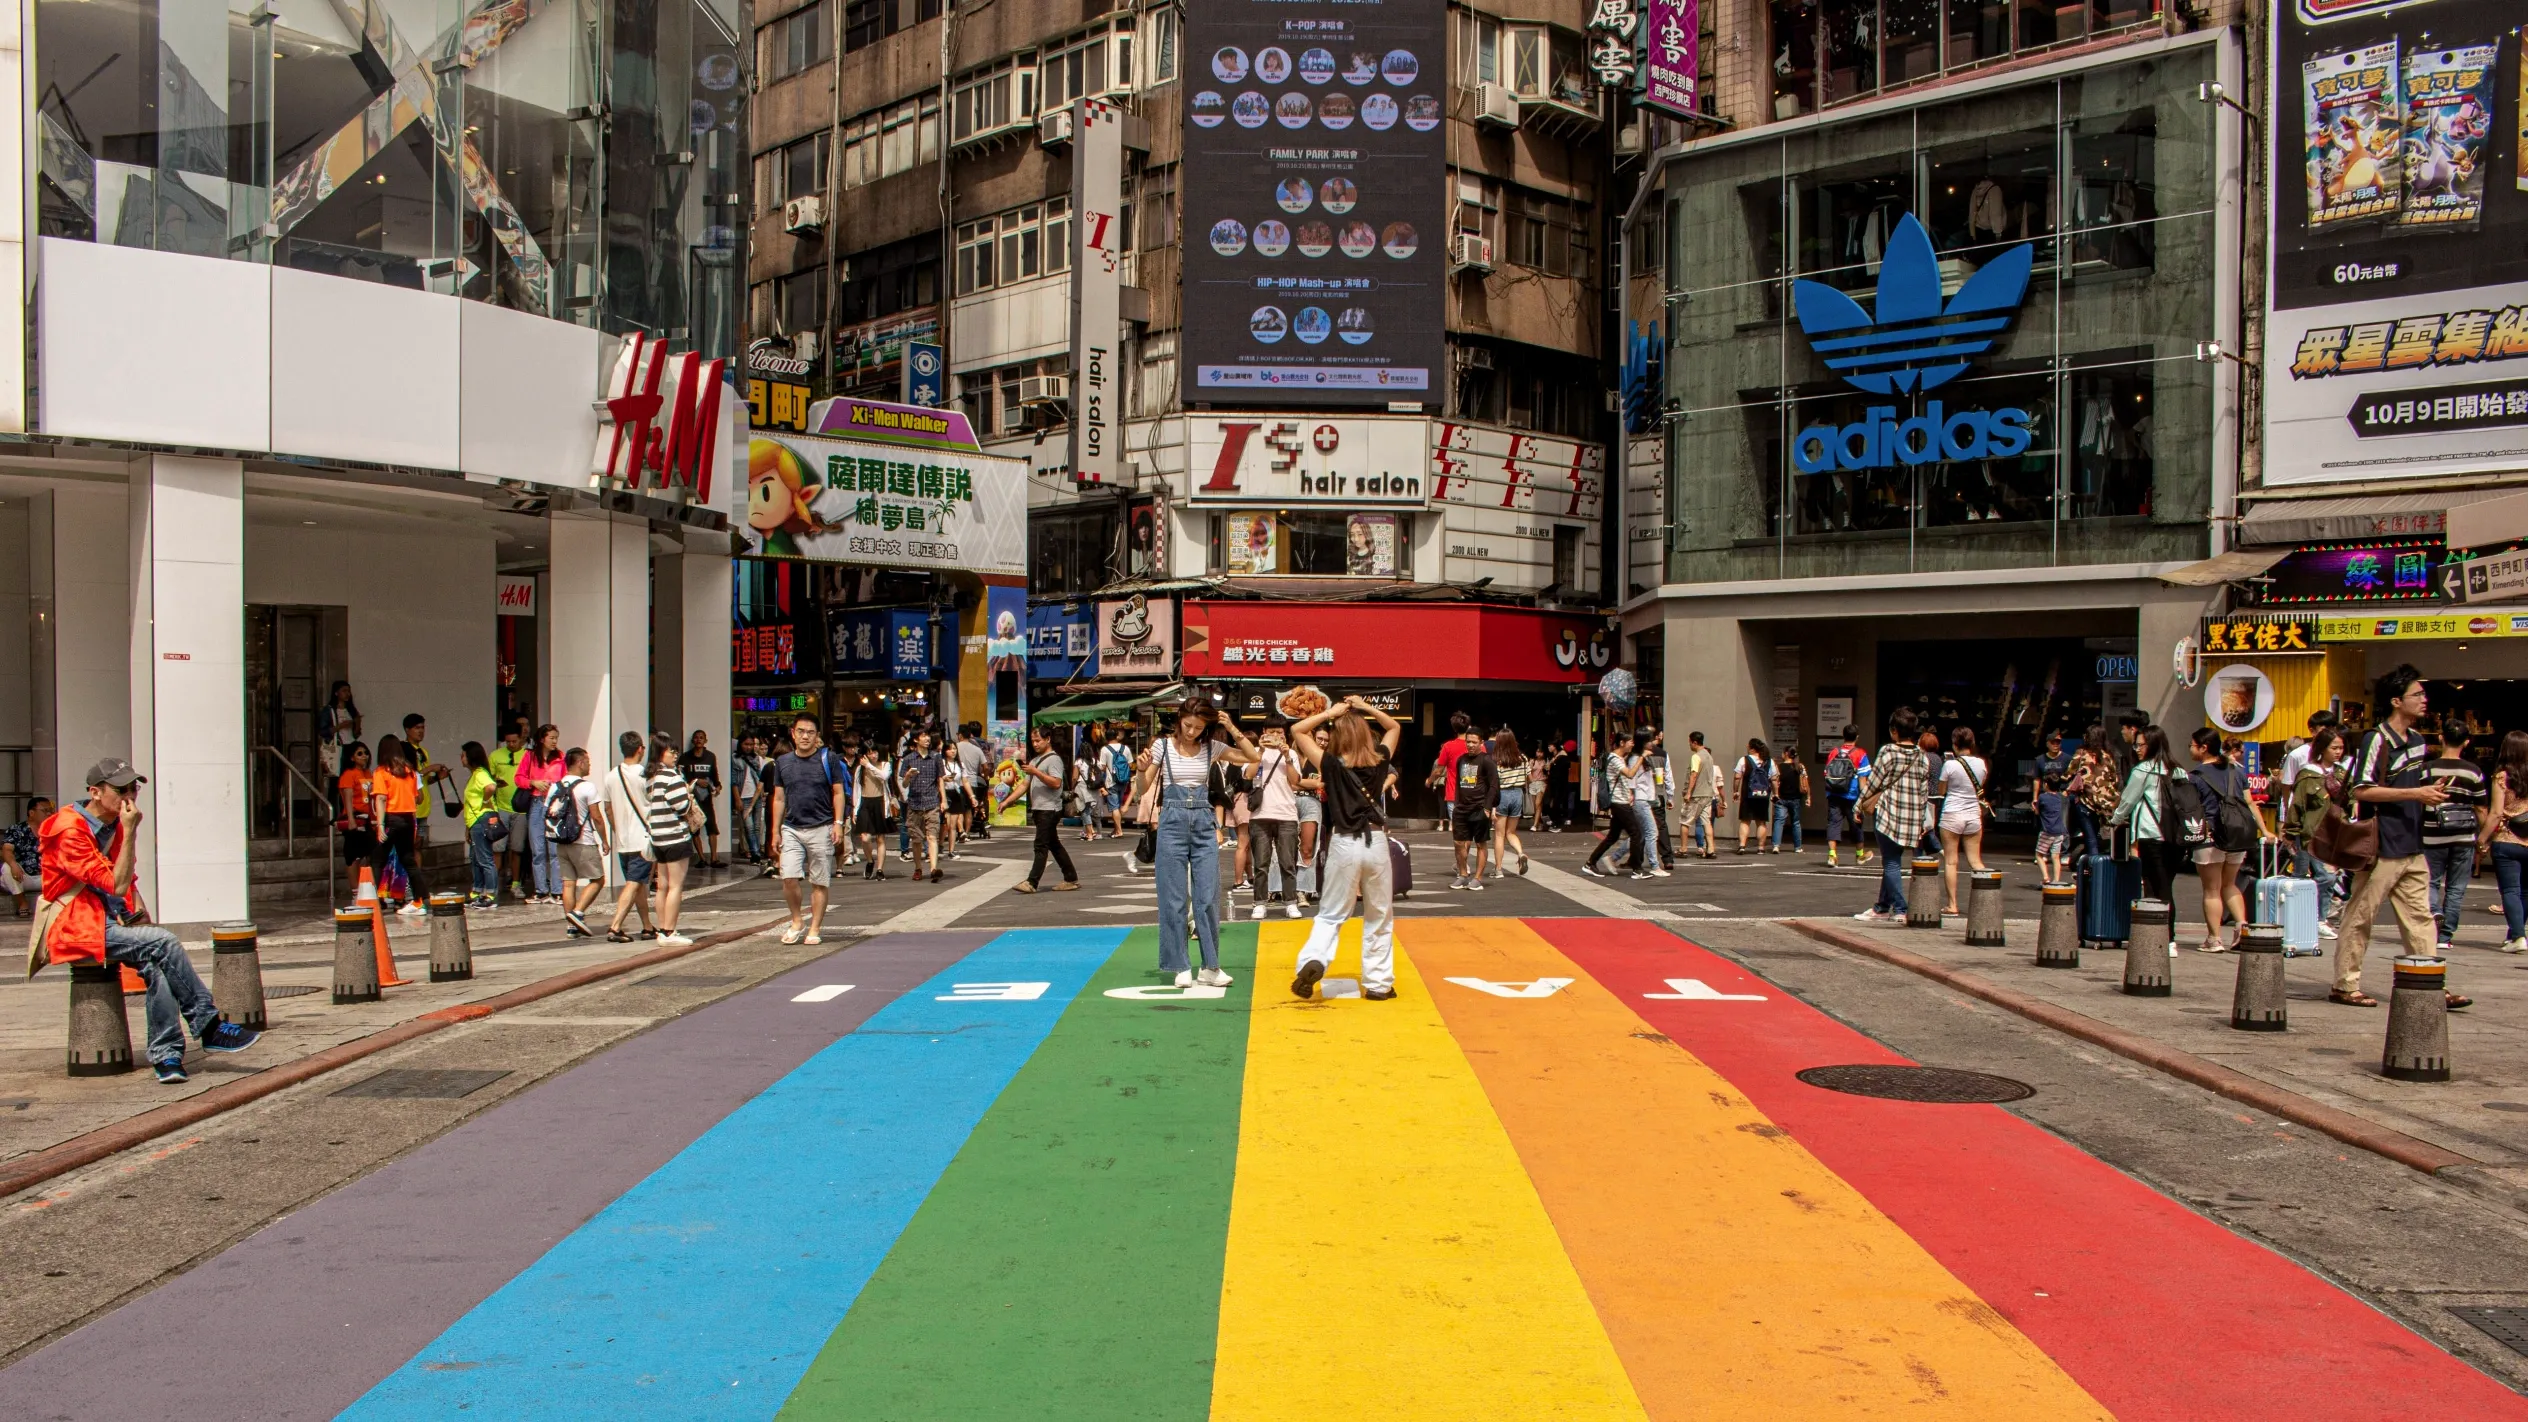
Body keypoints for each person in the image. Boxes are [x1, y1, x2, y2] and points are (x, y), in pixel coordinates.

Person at [36, 758, 262, 1083]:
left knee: (158, 962)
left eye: (133, 788)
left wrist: (142, 919)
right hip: (78, 927)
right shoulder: (68, 830)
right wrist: (130, 830)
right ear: (95, 792)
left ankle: (167, 1056)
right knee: (163, 942)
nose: (129, 796)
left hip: (109, 921)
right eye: (121, 790)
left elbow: (129, 882)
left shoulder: (113, 824)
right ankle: (208, 1025)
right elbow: (115, 884)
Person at [2337, 667, 2469, 1010]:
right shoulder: (2376, 739)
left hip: (2412, 843)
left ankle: (2430, 983)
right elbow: (2362, 790)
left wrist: (2428, 792)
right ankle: (2345, 984)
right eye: (2417, 694)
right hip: (2381, 845)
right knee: (2361, 916)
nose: (2425, 700)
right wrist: (2415, 794)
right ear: (2397, 701)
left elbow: (2409, 787)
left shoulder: (2418, 741)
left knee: (2421, 919)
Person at [1132, 695, 1259, 987]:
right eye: (1188, 725)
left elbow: (1252, 757)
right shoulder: (1162, 746)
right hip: (1172, 822)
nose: (1192, 732)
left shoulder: (1212, 747)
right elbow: (1143, 788)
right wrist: (1140, 769)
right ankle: (1179, 965)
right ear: (1179, 720)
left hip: (1203, 822)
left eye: (1199, 727)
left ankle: (1210, 966)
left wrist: (1232, 727)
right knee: (1173, 899)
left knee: (1208, 897)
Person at [1287, 696, 1404, 1001]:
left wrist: (1332, 711)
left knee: (1331, 914)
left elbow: (1298, 730)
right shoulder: (1380, 758)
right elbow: (1393, 726)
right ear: (1365, 734)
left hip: (1343, 842)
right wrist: (1365, 707)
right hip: (1376, 842)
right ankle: (1379, 984)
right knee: (1379, 915)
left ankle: (1314, 959)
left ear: (1337, 736)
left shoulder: (1330, 763)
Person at [766, 713, 849, 939]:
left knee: (819, 881)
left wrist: (838, 823)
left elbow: (838, 792)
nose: (805, 736)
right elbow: (779, 798)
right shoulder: (782, 762)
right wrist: (775, 831)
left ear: (817, 736)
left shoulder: (829, 759)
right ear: (793, 734)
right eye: (801, 731)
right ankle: (797, 920)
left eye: (810, 732)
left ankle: (815, 928)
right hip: (791, 827)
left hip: (822, 827)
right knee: (788, 877)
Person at [2186, 728, 2269, 952]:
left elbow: (2191, 808)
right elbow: (2249, 803)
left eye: (2192, 745)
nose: (2190, 749)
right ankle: (2242, 928)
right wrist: (2264, 830)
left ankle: (2214, 939)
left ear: (2204, 748)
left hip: (2210, 836)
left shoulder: (2195, 776)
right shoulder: (2236, 771)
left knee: (2211, 889)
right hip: (2236, 834)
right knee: (2230, 884)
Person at [1852, 708, 1933, 923]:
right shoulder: (1922, 756)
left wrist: (1858, 806)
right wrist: (1923, 820)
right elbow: (1924, 792)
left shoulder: (1888, 751)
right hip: (1911, 817)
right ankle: (1881, 907)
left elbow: (1873, 783)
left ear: (1894, 730)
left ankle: (1900, 908)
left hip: (1888, 814)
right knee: (1892, 861)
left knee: (1891, 862)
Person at [2420, 722, 2485, 953]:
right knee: (2456, 888)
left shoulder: (2426, 769)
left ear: (2440, 738)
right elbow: (2481, 808)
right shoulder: (2474, 771)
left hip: (2432, 834)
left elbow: (2417, 801)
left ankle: (2434, 913)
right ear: (2466, 742)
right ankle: (2446, 935)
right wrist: (2483, 837)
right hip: (2463, 836)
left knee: (2430, 881)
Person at [2285, 727, 2347, 936]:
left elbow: (2351, 798)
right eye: (2334, 748)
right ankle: (2305, 917)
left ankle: (2319, 918)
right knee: (2309, 876)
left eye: (2341, 748)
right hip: (2310, 835)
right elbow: (2297, 805)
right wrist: (2291, 832)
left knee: (2328, 877)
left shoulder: (2341, 774)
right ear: (2322, 748)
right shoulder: (2308, 775)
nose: (2338, 752)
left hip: (2335, 834)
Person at [599, 731, 659, 943]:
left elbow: (607, 809)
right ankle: (615, 926)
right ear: (640, 749)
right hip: (642, 838)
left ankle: (647, 926)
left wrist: (618, 830)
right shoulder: (645, 774)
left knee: (638, 883)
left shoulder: (611, 775)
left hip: (623, 840)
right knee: (634, 883)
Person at [644, 734, 702, 945]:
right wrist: (687, 793)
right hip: (676, 836)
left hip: (658, 838)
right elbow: (683, 807)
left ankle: (662, 929)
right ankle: (669, 931)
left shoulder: (651, 778)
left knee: (662, 886)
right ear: (661, 753)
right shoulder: (672, 777)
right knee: (676, 886)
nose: (675, 755)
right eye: (671, 751)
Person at [2113, 726, 2180, 907]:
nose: (2137, 749)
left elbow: (2127, 801)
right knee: (2165, 884)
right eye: (2136, 745)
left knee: (2154, 884)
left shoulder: (2143, 770)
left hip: (2151, 834)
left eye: (2141, 745)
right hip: (2176, 836)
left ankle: (2157, 922)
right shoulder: (2178, 770)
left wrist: (2115, 821)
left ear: (2154, 745)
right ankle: (2163, 923)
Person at [2475, 730, 2528, 956]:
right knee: (2525, 892)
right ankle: (2515, 935)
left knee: (2510, 890)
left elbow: (2496, 813)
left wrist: (2482, 839)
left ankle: (2517, 937)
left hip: (2507, 840)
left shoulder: (2501, 777)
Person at [1242, 720, 1304, 916]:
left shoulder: (1291, 753)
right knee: (1261, 864)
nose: (1276, 736)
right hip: (1260, 814)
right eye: (1272, 732)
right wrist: (1260, 752)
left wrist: (1287, 757)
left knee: (1288, 862)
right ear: (1264, 732)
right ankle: (1259, 902)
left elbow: (1295, 781)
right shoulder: (1254, 751)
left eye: (1280, 732)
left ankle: (1291, 902)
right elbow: (1248, 775)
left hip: (1287, 814)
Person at [1012, 725, 1082, 894]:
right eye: (1033, 741)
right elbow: (1024, 785)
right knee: (1054, 844)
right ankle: (1070, 878)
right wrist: (1007, 801)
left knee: (1041, 845)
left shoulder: (1053, 760)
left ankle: (1032, 882)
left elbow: (1056, 783)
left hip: (1049, 809)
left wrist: (1036, 772)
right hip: (1039, 808)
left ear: (1048, 739)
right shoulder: (1035, 761)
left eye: (1038, 740)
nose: (1035, 744)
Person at [548, 747, 607, 937]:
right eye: (588, 762)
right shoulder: (587, 787)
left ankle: (571, 927)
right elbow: (597, 817)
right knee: (598, 879)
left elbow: (549, 813)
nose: (589, 765)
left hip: (562, 842)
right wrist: (604, 840)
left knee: (568, 884)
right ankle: (577, 912)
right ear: (580, 763)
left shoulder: (555, 786)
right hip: (583, 841)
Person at [370, 737, 430, 915]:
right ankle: (419, 901)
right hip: (408, 819)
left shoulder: (381, 772)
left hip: (391, 818)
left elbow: (381, 798)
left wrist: (380, 824)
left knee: (377, 860)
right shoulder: (409, 771)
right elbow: (415, 798)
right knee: (408, 860)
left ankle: (372, 903)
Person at [1582, 730, 1653, 880]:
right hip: (1619, 803)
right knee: (1636, 834)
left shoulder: (1619, 758)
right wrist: (1642, 757)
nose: (1632, 744)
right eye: (1630, 741)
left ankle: (1590, 863)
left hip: (1621, 801)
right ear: (1622, 743)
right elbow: (1630, 774)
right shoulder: (1615, 759)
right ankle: (1637, 869)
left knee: (1613, 836)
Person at [1935, 726, 1988, 917]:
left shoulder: (1950, 765)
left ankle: (1952, 905)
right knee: (1976, 861)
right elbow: (1980, 785)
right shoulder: (1981, 764)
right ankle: (1988, 901)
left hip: (1952, 813)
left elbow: (1941, 791)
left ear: (1954, 744)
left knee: (1951, 861)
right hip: (1973, 814)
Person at [517, 724, 568, 904]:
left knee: (554, 849)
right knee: (537, 849)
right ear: (542, 739)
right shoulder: (530, 756)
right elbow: (519, 778)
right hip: (537, 802)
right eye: (551, 738)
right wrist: (533, 782)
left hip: (554, 804)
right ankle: (540, 890)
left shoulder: (560, 757)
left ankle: (557, 890)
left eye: (556, 738)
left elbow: (566, 779)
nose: (554, 741)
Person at [458, 741, 507, 910]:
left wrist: (485, 801)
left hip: (480, 820)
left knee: (485, 859)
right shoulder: (475, 775)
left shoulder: (480, 773)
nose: (461, 758)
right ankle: (477, 892)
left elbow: (491, 787)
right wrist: (468, 828)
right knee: (475, 859)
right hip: (474, 822)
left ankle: (490, 895)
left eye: (463, 755)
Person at [1448, 724, 1498, 890]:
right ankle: (1463, 875)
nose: (1470, 745)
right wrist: (1457, 804)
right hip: (1462, 808)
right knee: (1458, 843)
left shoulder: (1487, 760)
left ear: (1481, 742)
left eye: (1474, 742)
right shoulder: (1461, 760)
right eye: (1468, 741)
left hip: (1479, 808)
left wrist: (1488, 808)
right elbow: (1458, 784)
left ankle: (1477, 878)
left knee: (1480, 844)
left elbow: (1494, 786)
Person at [898, 727, 950, 883]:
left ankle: (934, 869)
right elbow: (904, 784)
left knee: (932, 836)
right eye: (923, 736)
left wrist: (943, 800)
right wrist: (908, 776)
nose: (927, 739)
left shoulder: (936, 757)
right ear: (916, 740)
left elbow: (940, 779)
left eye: (928, 736)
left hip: (932, 802)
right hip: (914, 804)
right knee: (916, 840)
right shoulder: (908, 759)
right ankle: (918, 868)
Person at [2064, 724, 2121, 862]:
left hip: (2086, 802)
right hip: (2105, 804)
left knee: (2091, 838)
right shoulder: (2109, 756)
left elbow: (2068, 774)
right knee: (2101, 836)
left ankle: (2094, 867)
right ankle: (2101, 863)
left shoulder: (2082, 753)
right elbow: (2116, 780)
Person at [1820, 726, 1870, 868]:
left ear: (1843, 736)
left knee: (1833, 823)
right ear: (1857, 737)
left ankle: (1832, 856)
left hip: (1834, 794)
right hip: (1852, 795)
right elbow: (1862, 780)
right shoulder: (1860, 754)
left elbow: (1826, 773)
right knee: (1856, 824)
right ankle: (1859, 855)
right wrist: (1863, 799)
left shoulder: (1834, 752)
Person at [487, 721, 527, 894]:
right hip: (500, 807)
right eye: (508, 742)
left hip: (521, 809)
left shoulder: (528, 756)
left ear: (521, 739)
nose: (511, 744)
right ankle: (494, 884)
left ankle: (516, 883)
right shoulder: (495, 756)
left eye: (514, 741)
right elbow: (488, 779)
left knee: (517, 848)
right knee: (497, 848)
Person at [334, 740, 375, 905]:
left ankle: (367, 889)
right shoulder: (348, 775)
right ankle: (355, 893)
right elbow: (348, 798)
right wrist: (351, 819)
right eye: (360, 754)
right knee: (352, 855)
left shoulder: (368, 773)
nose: (364, 756)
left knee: (370, 854)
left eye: (365, 753)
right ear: (351, 757)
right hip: (355, 818)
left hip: (368, 818)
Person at [2, 796, 52, 916]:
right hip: (23, 877)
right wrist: (14, 865)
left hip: (48, 877)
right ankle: (22, 903)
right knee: (7, 868)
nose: (49, 814)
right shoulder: (17, 829)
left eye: (50, 810)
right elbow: (7, 850)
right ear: (31, 813)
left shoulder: (54, 829)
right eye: (45, 810)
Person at [852, 740, 894, 880]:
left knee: (880, 838)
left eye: (875, 752)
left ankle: (880, 869)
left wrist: (869, 766)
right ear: (865, 754)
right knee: (865, 837)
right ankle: (870, 861)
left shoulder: (885, 765)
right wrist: (855, 810)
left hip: (880, 802)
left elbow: (884, 776)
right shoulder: (860, 769)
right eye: (870, 753)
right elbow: (856, 790)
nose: (873, 755)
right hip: (865, 802)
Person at [1492, 729, 1531, 876]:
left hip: (1502, 795)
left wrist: (1492, 804)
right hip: (1518, 794)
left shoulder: (1497, 760)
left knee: (1499, 835)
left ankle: (1498, 869)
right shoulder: (1523, 758)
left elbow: (1495, 783)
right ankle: (1520, 853)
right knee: (1511, 832)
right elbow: (1530, 779)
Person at [685, 730, 724, 868]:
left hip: (707, 798)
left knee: (712, 827)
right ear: (692, 740)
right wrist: (696, 781)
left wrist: (718, 786)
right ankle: (701, 858)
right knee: (695, 828)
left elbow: (715, 775)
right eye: (696, 738)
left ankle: (714, 858)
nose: (698, 740)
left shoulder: (710, 757)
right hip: (692, 799)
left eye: (701, 738)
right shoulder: (685, 758)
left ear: (705, 740)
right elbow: (682, 777)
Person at [2032, 747, 2070, 885]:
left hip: (2047, 831)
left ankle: (2046, 877)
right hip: (2059, 832)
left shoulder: (2043, 797)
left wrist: (2035, 806)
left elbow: (2037, 812)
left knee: (2039, 854)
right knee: (2056, 857)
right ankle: (2056, 880)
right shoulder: (2060, 798)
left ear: (2046, 784)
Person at [729, 733, 766, 868]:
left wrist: (763, 794)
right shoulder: (734, 759)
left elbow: (761, 779)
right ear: (740, 744)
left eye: (751, 744)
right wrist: (737, 799)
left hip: (756, 797)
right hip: (743, 797)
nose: (749, 747)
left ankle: (756, 852)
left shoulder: (757, 758)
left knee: (757, 827)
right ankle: (755, 853)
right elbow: (733, 781)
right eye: (746, 744)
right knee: (748, 827)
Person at [1682, 731, 1720, 860]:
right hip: (1708, 794)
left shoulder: (1696, 757)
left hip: (1696, 794)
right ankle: (1711, 849)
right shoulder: (1709, 756)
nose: (1689, 745)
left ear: (1694, 742)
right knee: (1706, 822)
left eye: (1690, 742)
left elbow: (1694, 774)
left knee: (1685, 821)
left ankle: (1683, 849)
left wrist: (1688, 792)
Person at [1733, 738, 1775, 853]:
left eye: (1748, 746)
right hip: (1763, 795)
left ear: (1752, 748)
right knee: (1761, 821)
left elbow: (1737, 777)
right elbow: (1774, 779)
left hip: (1748, 794)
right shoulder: (1769, 761)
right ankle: (1761, 848)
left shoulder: (1744, 760)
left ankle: (1742, 846)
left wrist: (1735, 791)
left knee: (1745, 820)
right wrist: (1776, 793)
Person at [955, 724, 993, 842]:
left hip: (957, 782)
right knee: (969, 810)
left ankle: (960, 831)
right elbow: (985, 767)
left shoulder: (955, 748)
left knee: (958, 809)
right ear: (970, 735)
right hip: (973, 782)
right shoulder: (977, 750)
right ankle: (966, 833)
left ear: (960, 735)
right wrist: (984, 775)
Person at [1771, 744, 1807, 854]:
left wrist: (1775, 794)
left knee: (1779, 821)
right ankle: (1798, 847)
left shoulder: (1779, 767)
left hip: (1781, 798)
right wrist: (1808, 796)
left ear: (1786, 753)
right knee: (1796, 822)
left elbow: (1775, 781)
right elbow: (1805, 782)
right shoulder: (1799, 767)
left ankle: (1776, 846)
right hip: (1796, 798)